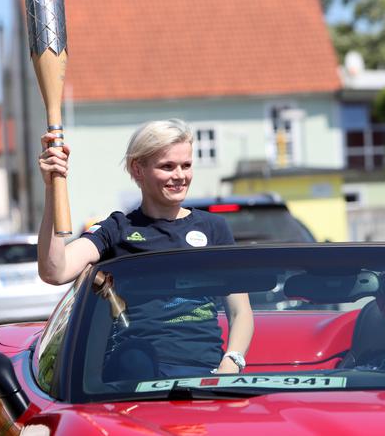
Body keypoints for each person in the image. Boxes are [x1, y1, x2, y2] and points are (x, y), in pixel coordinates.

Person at [37, 118, 253, 376]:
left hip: (204, 374)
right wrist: (52, 187)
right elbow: (55, 270)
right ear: (137, 169)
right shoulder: (117, 228)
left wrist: (232, 360)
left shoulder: (214, 228)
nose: (180, 176)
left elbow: (241, 311)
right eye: (167, 166)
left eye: (186, 165)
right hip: (133, 378)